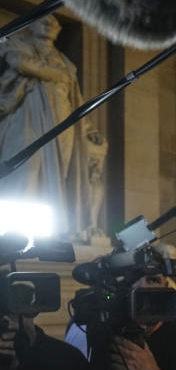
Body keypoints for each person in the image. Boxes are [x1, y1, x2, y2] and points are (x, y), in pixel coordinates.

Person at [0, 16, 107, 238]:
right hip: (27, 117)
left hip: (62, 126)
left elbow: (75, 101)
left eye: (54, 22)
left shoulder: (66, 64)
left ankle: (48, 234)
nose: (49, 24)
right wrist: (52, 74)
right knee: (25, 170)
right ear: (31, 25)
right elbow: (19, 63)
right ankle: (11, 233)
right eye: (43, 20)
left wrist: (88, 129)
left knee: (57, 177)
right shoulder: (20, 47)